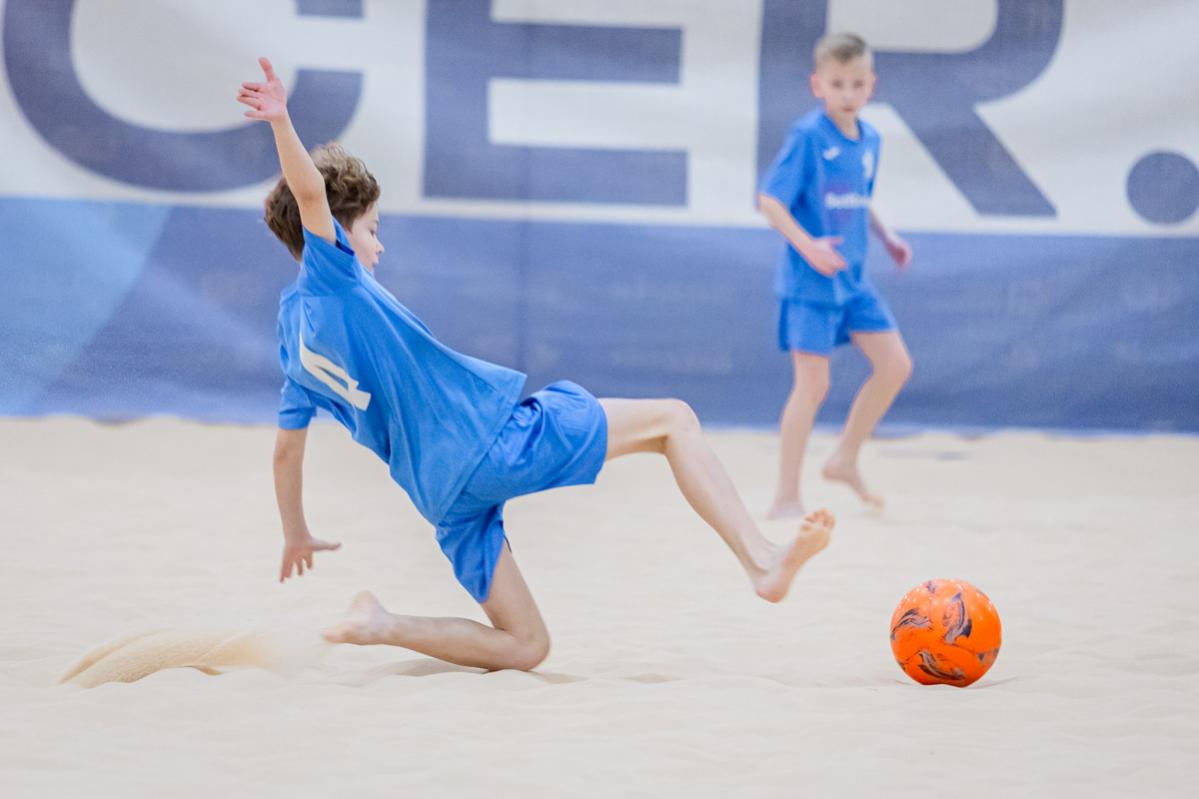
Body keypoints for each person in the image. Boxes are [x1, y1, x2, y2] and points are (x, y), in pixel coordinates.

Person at [238, 57, 834, 673]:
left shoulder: (290, 340)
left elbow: (286, 452)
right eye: (371, 229)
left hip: (439, 494)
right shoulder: (333, 276)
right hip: (484, 444)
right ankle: (761, 561)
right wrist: (281, 120)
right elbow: (310, 191)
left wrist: (295, 530)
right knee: (674, 420)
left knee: (527, 646)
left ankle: (383, 625)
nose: (378, 243)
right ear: (335, 234)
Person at [758, 33, 914, 520]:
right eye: (837, 84)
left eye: (856, 84)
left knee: (895, 365)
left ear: (871, 86)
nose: (847, 93)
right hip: (810, 283)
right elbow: (770, 202)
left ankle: (844, 458)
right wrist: (809, 247)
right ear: (817, 85)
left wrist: (887, 236)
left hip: (854, 279)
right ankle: (785, 496)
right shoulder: (807, 136)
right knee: (812, 386)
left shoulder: (871, 139)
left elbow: (860, 198)